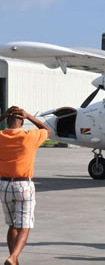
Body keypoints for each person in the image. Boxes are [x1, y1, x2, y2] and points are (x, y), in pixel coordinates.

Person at [0, 106, 50, 265]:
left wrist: (2, 116)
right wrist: (29, 116)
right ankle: (13, 257)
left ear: (7, 122)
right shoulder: (29, 136)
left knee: (12, 224)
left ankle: (13, 258)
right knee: (25, 225)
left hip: (4, 185)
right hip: (23, 185)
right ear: (21, 123)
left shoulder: (1, 136)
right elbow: (47, 130)